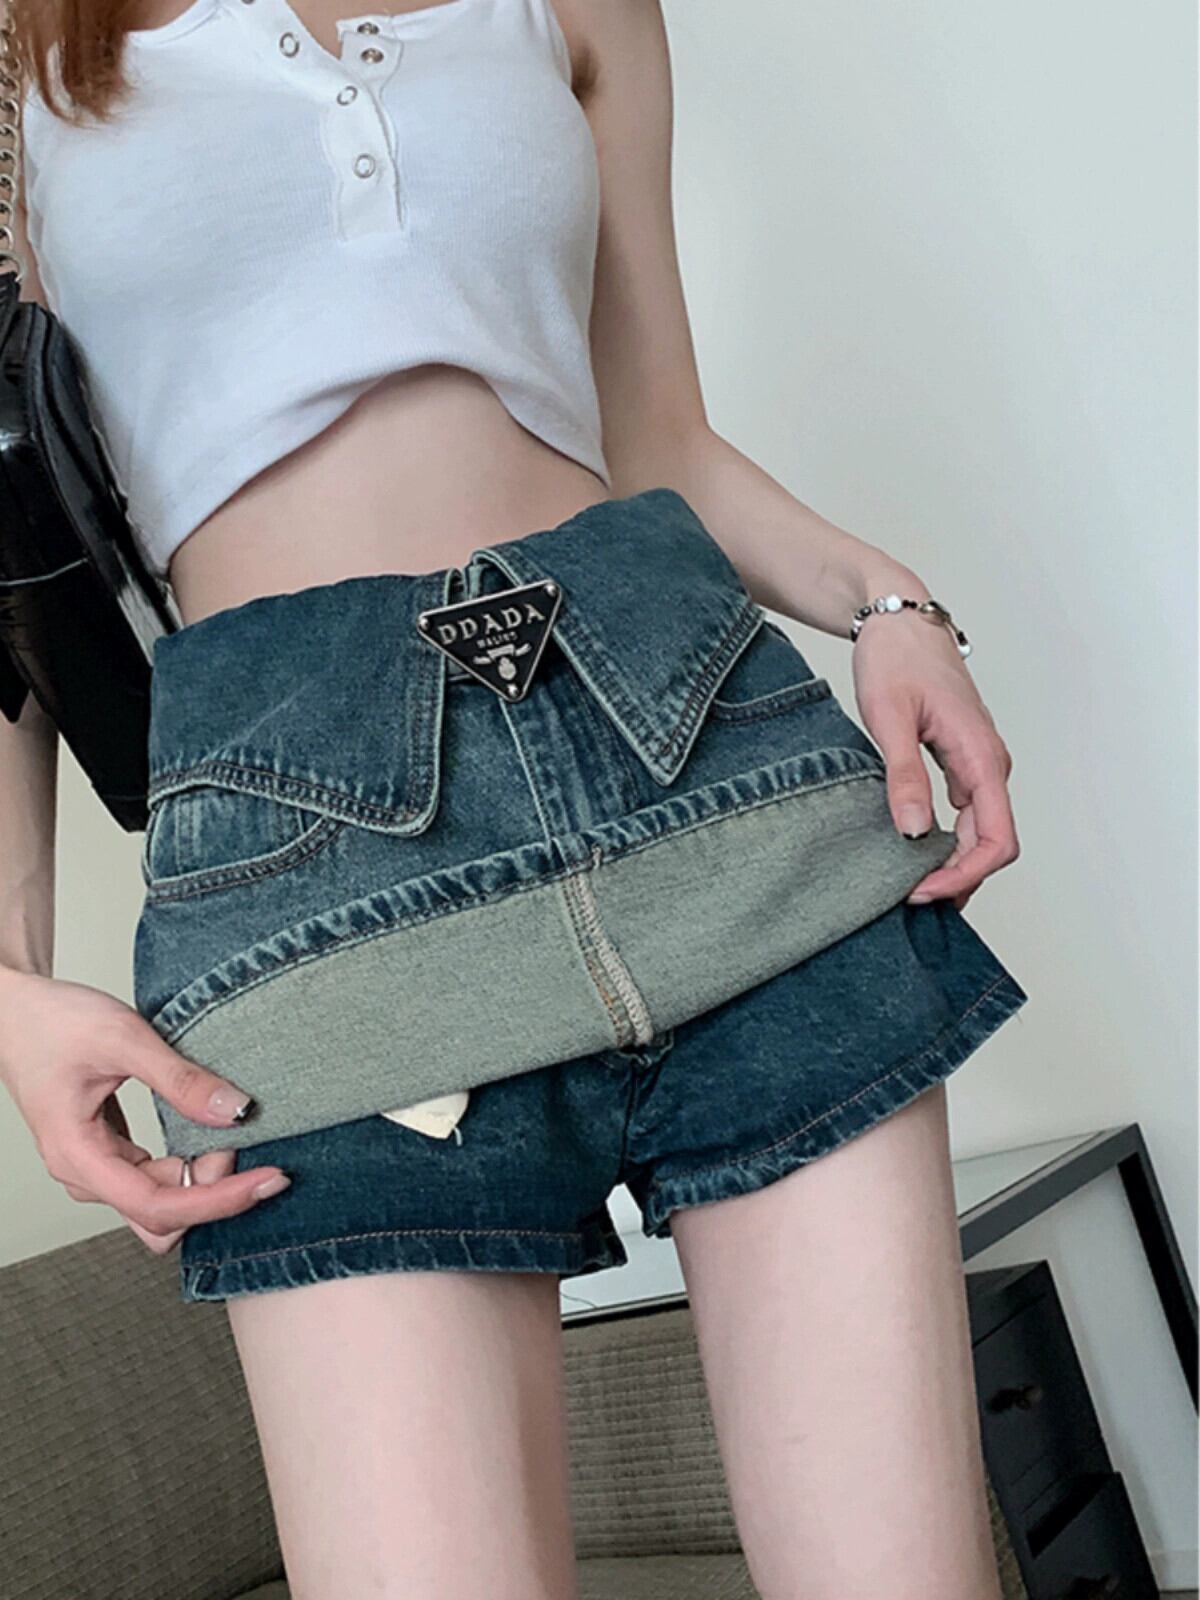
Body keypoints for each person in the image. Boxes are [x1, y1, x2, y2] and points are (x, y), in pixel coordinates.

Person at [0, 2, 1027, 1596]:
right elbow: (7, 573)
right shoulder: (25, 51)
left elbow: (661, 439)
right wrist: (7, 987)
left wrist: (892, 608)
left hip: (705, 770)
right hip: (311, 880)